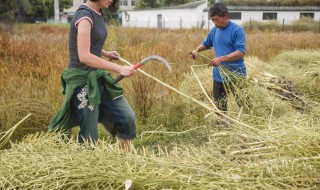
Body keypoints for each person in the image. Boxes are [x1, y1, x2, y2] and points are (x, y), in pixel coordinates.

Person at [48, 0, 136, 149]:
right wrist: (118, 68)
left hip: (97, 76)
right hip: (82, 81)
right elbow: (84, 56)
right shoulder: (84, 16)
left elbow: (88, 41)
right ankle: (86, 164)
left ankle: (125, 160)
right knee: (89, 135)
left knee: (127, 117)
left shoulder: (98, 12)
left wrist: (105, 52)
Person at [190, 2, 246, 112]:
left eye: (216, 19)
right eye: (212, 20)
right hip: (219, 77)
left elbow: (240, 52)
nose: (214, 23)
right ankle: (222, 126)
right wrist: (196, 50)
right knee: (220, 109)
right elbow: (206, 43)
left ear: (225, 15)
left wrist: (221, 59)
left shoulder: (237, 30)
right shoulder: (215, 30)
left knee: (244, 105)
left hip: (236, 75)